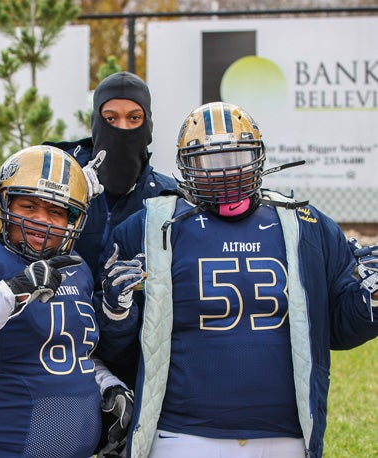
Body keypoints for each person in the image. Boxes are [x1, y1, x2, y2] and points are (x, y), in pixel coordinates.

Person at [95, 101, 378, 458]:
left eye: (237, 157)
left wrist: (374, 298)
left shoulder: (304, 223)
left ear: (258, 155)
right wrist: (114, 312)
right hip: (182, 433)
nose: (225, 172)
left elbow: (336, 328)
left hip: (285, 434)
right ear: (186, 165)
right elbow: (116, 346)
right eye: (208, 162)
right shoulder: (149, 226)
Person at [0, 145, 133, 457]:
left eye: (56, 211)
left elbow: (64, 354)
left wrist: (106, 384)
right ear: (4, 203)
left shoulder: (75, 268)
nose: (41, 221)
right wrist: (12, 292)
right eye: (29, 206)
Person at [45, 71, 176, 282]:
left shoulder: (167, 198)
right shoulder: (56, 180)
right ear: (96, 122)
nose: (122, 128)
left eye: (134, 118)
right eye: (111, 118)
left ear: (148, 124)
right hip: (67, 309)